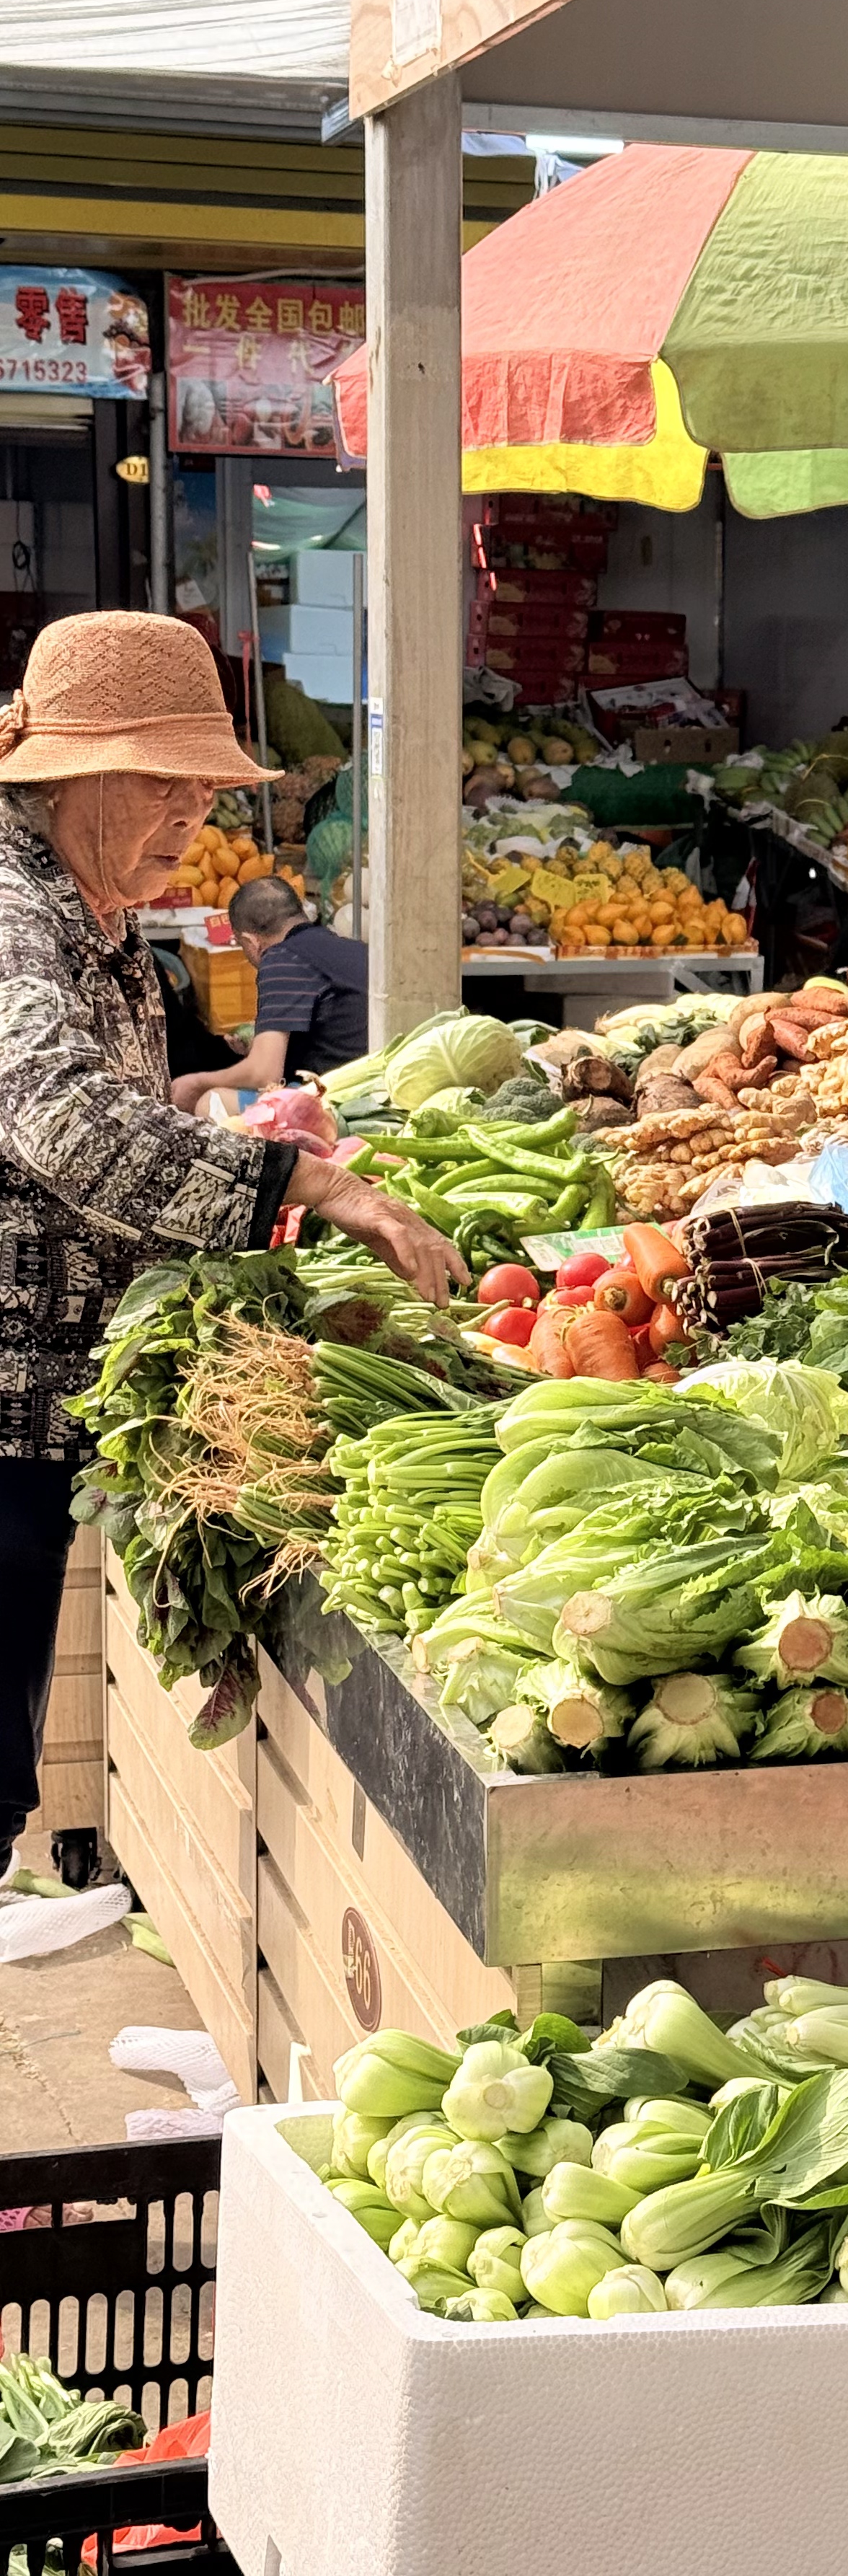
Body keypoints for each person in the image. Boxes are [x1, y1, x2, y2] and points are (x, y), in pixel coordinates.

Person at [0, 611, 465, 1874]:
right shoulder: (9, 913)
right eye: (167, 779)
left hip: (30, 1408)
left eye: (206, 784)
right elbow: (62, 1120)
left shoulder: (89, 917)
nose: (195, 812)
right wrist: (311, 1184)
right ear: (66, 774)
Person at [170, 874, 367, 1112]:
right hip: (372, 1089)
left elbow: (265, 1074)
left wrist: (197, 1082)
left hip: (340, 1103)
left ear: (250, 941)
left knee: (212, 1102)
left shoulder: (281, 957)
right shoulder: (350, 948)